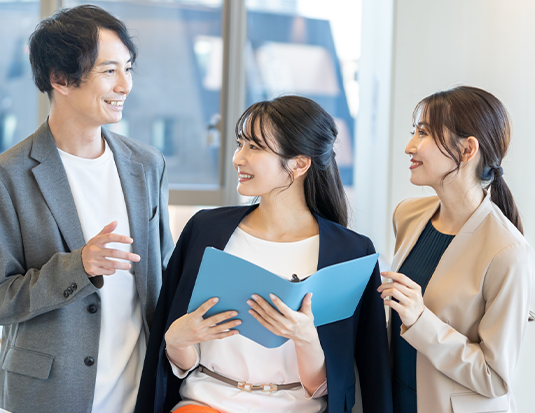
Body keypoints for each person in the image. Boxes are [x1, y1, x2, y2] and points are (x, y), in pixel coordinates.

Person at [135, 95, 392, 413]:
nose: (237, 159)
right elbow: (181, 365)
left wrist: (305, 339)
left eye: (254, 147)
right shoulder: (204, 230)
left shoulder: (351, 253)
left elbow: (350, 379)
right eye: (239, 144)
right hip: (204, 404)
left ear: (299, 163)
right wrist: (175, 340)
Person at [0, 5, 174, 413]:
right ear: (60, 79)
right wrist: (80, 265)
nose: (125, 85)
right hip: (50, 395)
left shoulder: (147, 165)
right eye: (109, 71)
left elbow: (164, 272)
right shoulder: (5, 177)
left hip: (141, 388)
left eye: (128, 69)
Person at [379, 86, 535, 413]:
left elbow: (495, 377)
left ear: (467, 150)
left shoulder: (507, 250)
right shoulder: (407, 215)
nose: (410, 146)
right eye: (414, 132)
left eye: (423, 133)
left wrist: (420, 319)